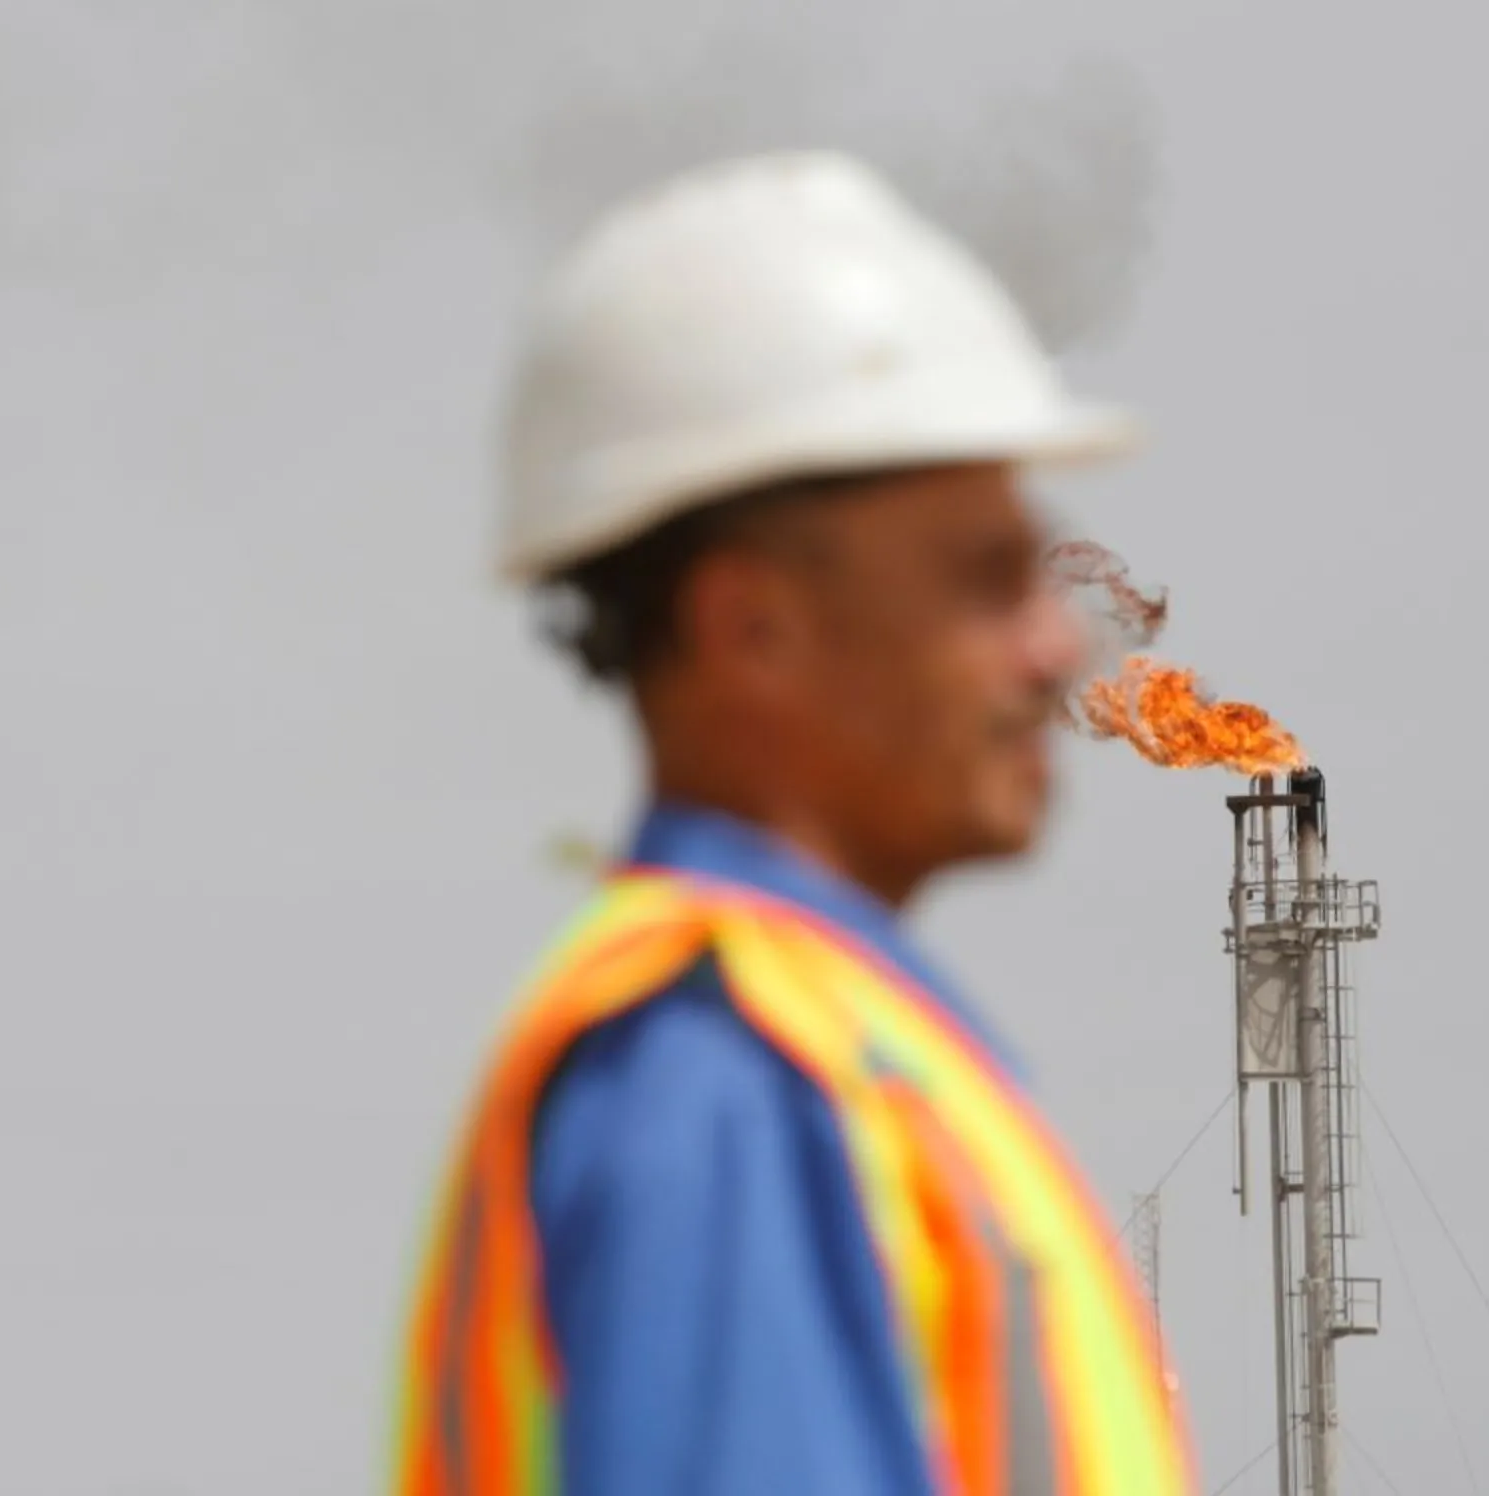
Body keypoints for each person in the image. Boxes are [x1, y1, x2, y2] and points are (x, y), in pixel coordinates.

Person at [390, 151, 1195, 1496]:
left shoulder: (822, 1059)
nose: (1058, 647)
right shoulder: (738, 1080)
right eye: (991, 579)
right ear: (751, 628)